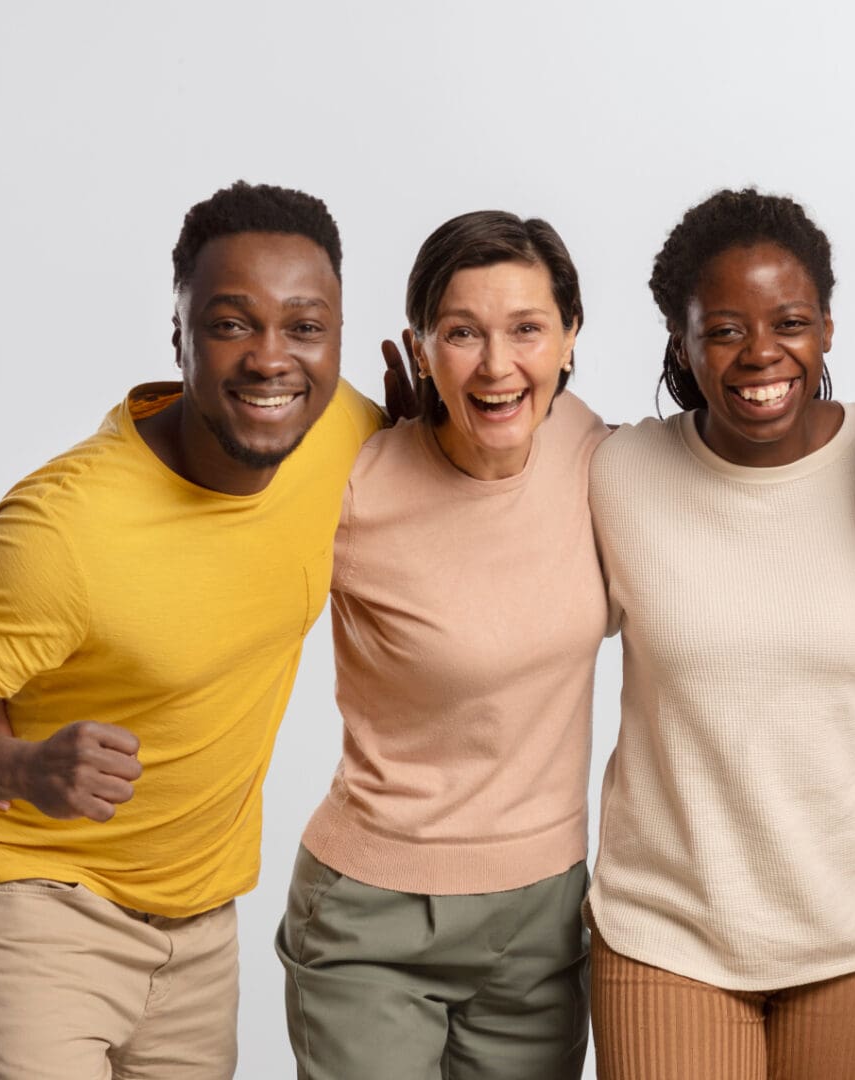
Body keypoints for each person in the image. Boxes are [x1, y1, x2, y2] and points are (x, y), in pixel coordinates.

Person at [0, 180, 384, 1080]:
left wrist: (446, 419)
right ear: (177, 334)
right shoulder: (69, 527)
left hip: (199, 925)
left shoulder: (340, 429)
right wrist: (24, 768)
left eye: (304, 327)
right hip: (35, 904)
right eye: (230, 324)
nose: (272, 359)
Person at [585, 188, 855, 1080]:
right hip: (666, 932)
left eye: (789, 321)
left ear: (825, 325)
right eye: (723, 330)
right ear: (681, 342)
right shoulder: (617, 471)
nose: (761, 355)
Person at [275, 210, 607, 1080]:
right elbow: (223, 599)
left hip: (543, 919)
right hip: (372, 917)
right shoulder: (354, 486)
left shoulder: (597, 455)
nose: (498, 367)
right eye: (462, 333)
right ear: (420, 348)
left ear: (570, 338)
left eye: (527, 329)